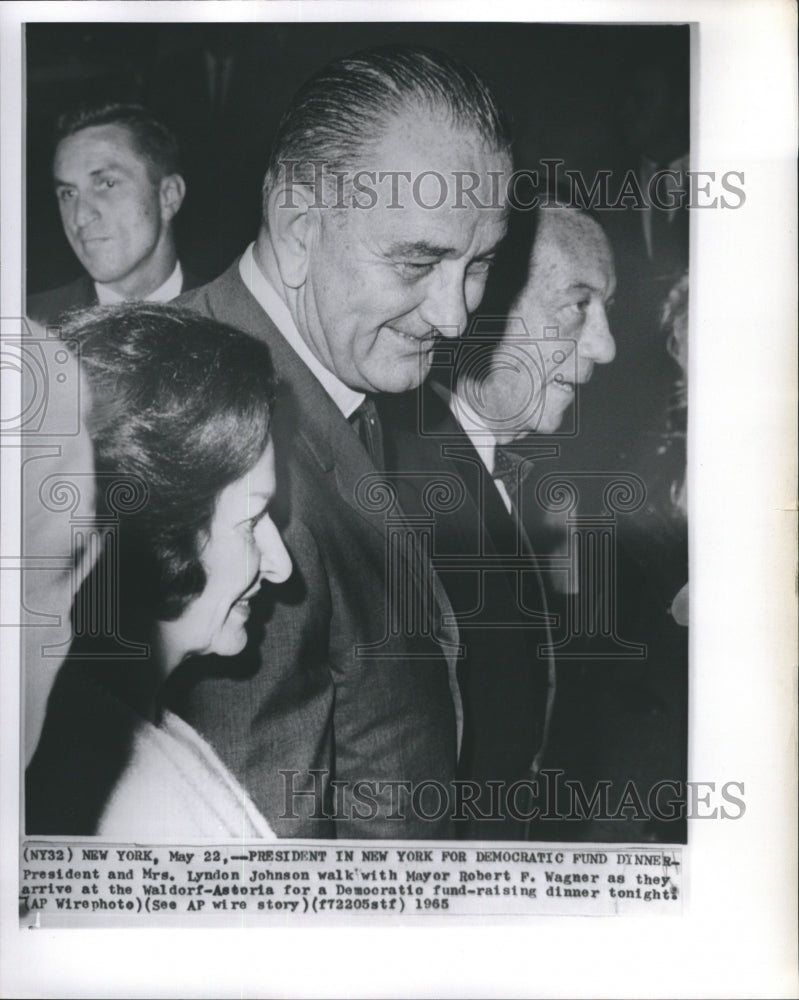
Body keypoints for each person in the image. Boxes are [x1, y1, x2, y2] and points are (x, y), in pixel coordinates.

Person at [174, 45, 513, 838]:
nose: (455, 316)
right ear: (297, 226)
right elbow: (250, 872)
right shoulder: (197, 437)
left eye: (479, 264)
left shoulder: (347, 375)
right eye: (417, 261)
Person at [379, 204, 617, 837]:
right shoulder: (398, 487)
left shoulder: (503, 467)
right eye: (577, 306)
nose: (605, 345)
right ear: (487, 310)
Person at [26, 303, 292, 838]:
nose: (282, 567)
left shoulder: (109, 731)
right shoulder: (121, 805)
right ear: (157, 530)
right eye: (251, 520)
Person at [27, 104, 201, 326]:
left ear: (169, 196)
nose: (80, 217)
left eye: (107, 184)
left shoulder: (232, 320)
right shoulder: (28, 326)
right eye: (68, 193)